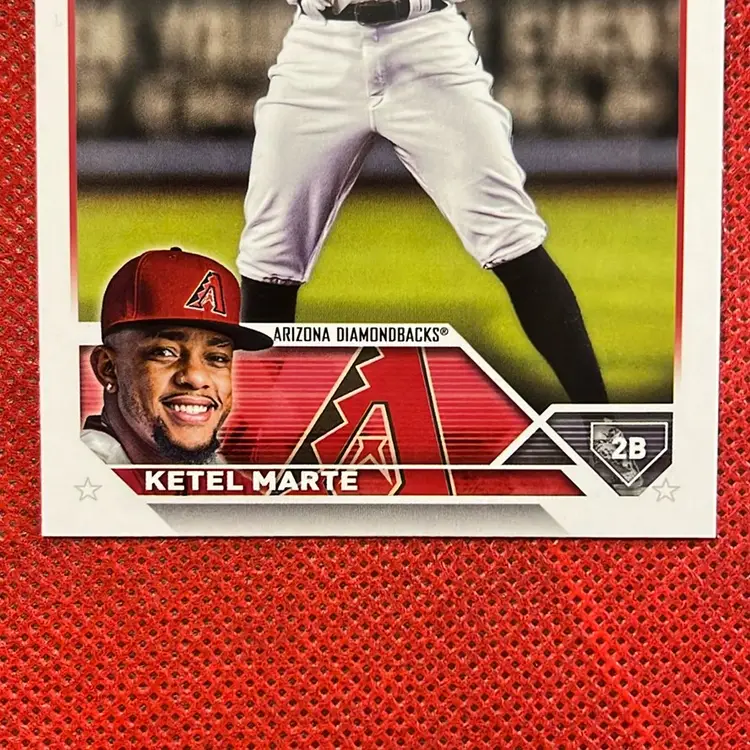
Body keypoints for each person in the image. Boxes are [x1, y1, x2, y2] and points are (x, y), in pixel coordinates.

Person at [237, 0, 607, 404]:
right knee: (269, 257)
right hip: (319, 46)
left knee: (511, 238)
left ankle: (604, 427)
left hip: (425, 41)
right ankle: (247, 431)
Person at [82, 248, 272, 465]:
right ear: (107, 368)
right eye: (165, 352)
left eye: (217, 358)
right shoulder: (69, 476)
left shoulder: (227, 479)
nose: (197, 378)